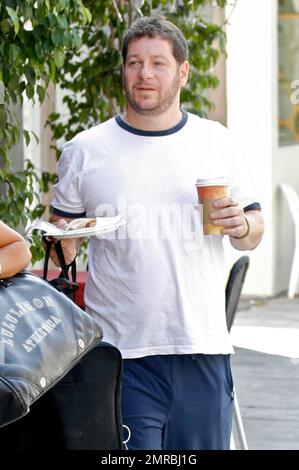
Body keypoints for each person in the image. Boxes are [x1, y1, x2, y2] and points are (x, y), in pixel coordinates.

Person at [48, 16, 264, 450]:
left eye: (158, 63)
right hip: (120, 354)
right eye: (134, 63)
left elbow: (253, 232)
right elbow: (58, 248)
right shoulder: (86, 149)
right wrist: (62, 240)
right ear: (124, 70)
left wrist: (241, 223)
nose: (144, 74)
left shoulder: (215, 141)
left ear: (182, 71)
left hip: (201, 347)